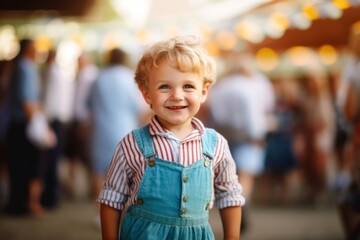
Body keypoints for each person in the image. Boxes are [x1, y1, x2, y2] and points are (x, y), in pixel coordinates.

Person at [97, 36, 245, 240]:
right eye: (165, 86)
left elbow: (229, 195)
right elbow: (112, 198)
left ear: (203, 91)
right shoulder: (132, 145)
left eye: (188, 87)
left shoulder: (216, 144)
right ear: (147, 94)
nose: (177, 95)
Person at [208, 50, 275, 230]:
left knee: (229, 175)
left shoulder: (221, 87)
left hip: (225, 135)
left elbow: (215, 114)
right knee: (246, 174)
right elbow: (260, 112)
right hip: (249, 136)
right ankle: (241, 203)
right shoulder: (254, 84)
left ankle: (232, 208)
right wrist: (258, 136)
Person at [88, 47, 146, 224]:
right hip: (126, 130)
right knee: (128, 174)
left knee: (99, 172)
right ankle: (122, 215)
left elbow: (89, 105)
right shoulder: (130, 78)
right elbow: (140, 108)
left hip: (100, 130)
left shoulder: (98, 78)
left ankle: (101, 215)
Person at [5, 39, 55, 216]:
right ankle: (23, 204)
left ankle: (21, 202)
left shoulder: (22, 67)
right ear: (29, 50)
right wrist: (40, 126)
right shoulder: (25, 68)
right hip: (23, 125)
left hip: (20, 123)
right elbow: (27, 102)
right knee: (25, 166)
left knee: (20, 166)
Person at [41, 48, 75, 208]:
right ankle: (51, 195)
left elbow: (49, 99)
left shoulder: (51, 72)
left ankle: (50, 196)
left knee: (51, 159)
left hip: (52, 120)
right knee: (53, 159)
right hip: (58, 120)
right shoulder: (58, 73)